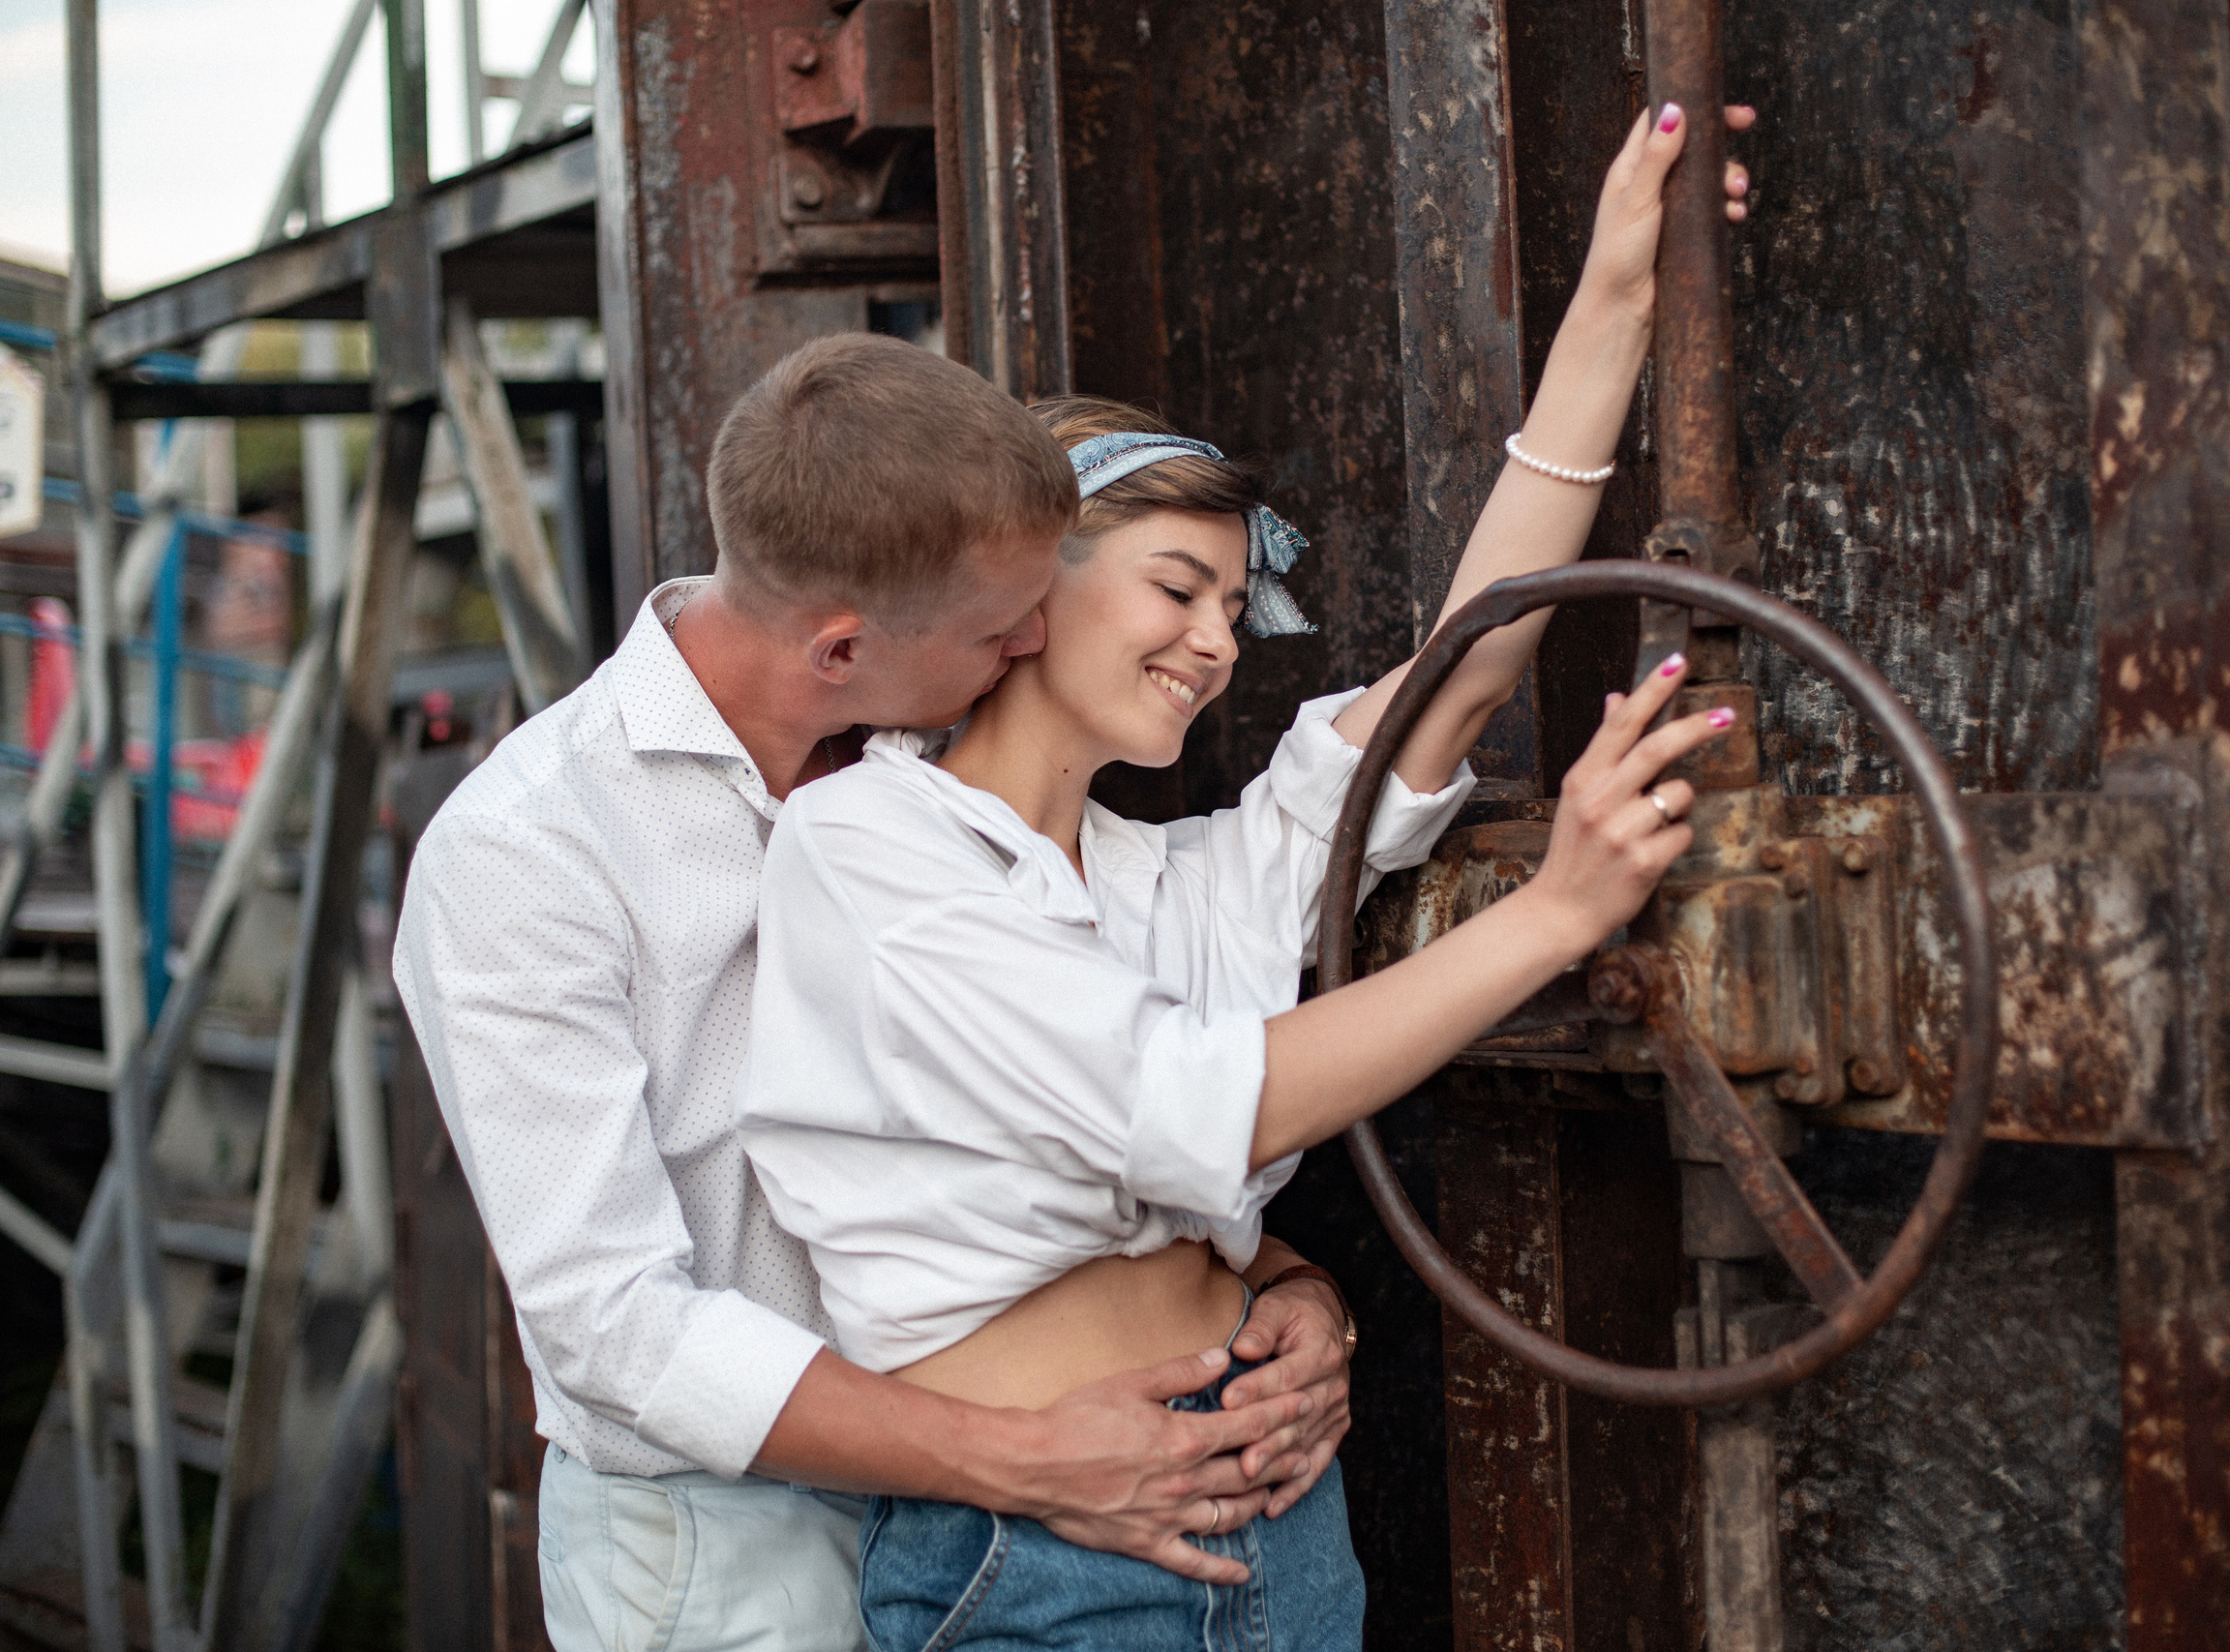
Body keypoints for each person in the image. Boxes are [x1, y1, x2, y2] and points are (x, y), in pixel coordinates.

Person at [740, 103, 1751, 1651]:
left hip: (1276, 1511)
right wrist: (1561, 908)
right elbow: (1201, 1101)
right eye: (1178, 589)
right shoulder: (865, 851)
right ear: (1024, 588)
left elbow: (1465, 670)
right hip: (1042, 1556)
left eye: (1234, 602)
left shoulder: (1175, 878)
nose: (1219, 645)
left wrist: (1619, 293)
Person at [393, 338, 1359, 1651]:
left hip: (1002, 1501)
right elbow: (614, 1331)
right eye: (1001, 627)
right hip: (730, 1539)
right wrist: (1018, 1460)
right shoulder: (528, 852)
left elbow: (1059, 1124)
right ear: (840, 645)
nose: (1031, 643)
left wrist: (1292, 1286)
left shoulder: (924, 741)